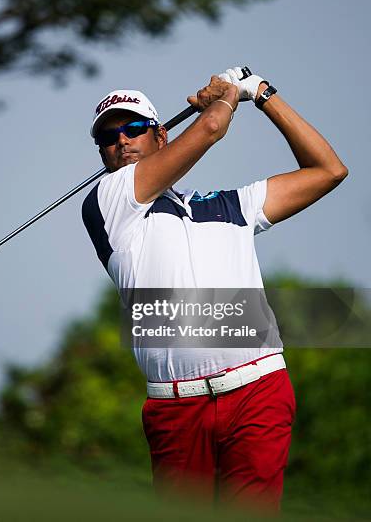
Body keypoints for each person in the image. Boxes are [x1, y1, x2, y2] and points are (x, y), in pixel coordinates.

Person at [81, 67, 348, 512]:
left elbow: (328, 170)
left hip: (258, 388)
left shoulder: (230, 205)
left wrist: (261, 93)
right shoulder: (108, 201)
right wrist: (227, 95)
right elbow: (208, 128)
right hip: (176, 407)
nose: (122, 141)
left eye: (133, 129)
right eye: (108, 138)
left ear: (161, 136)